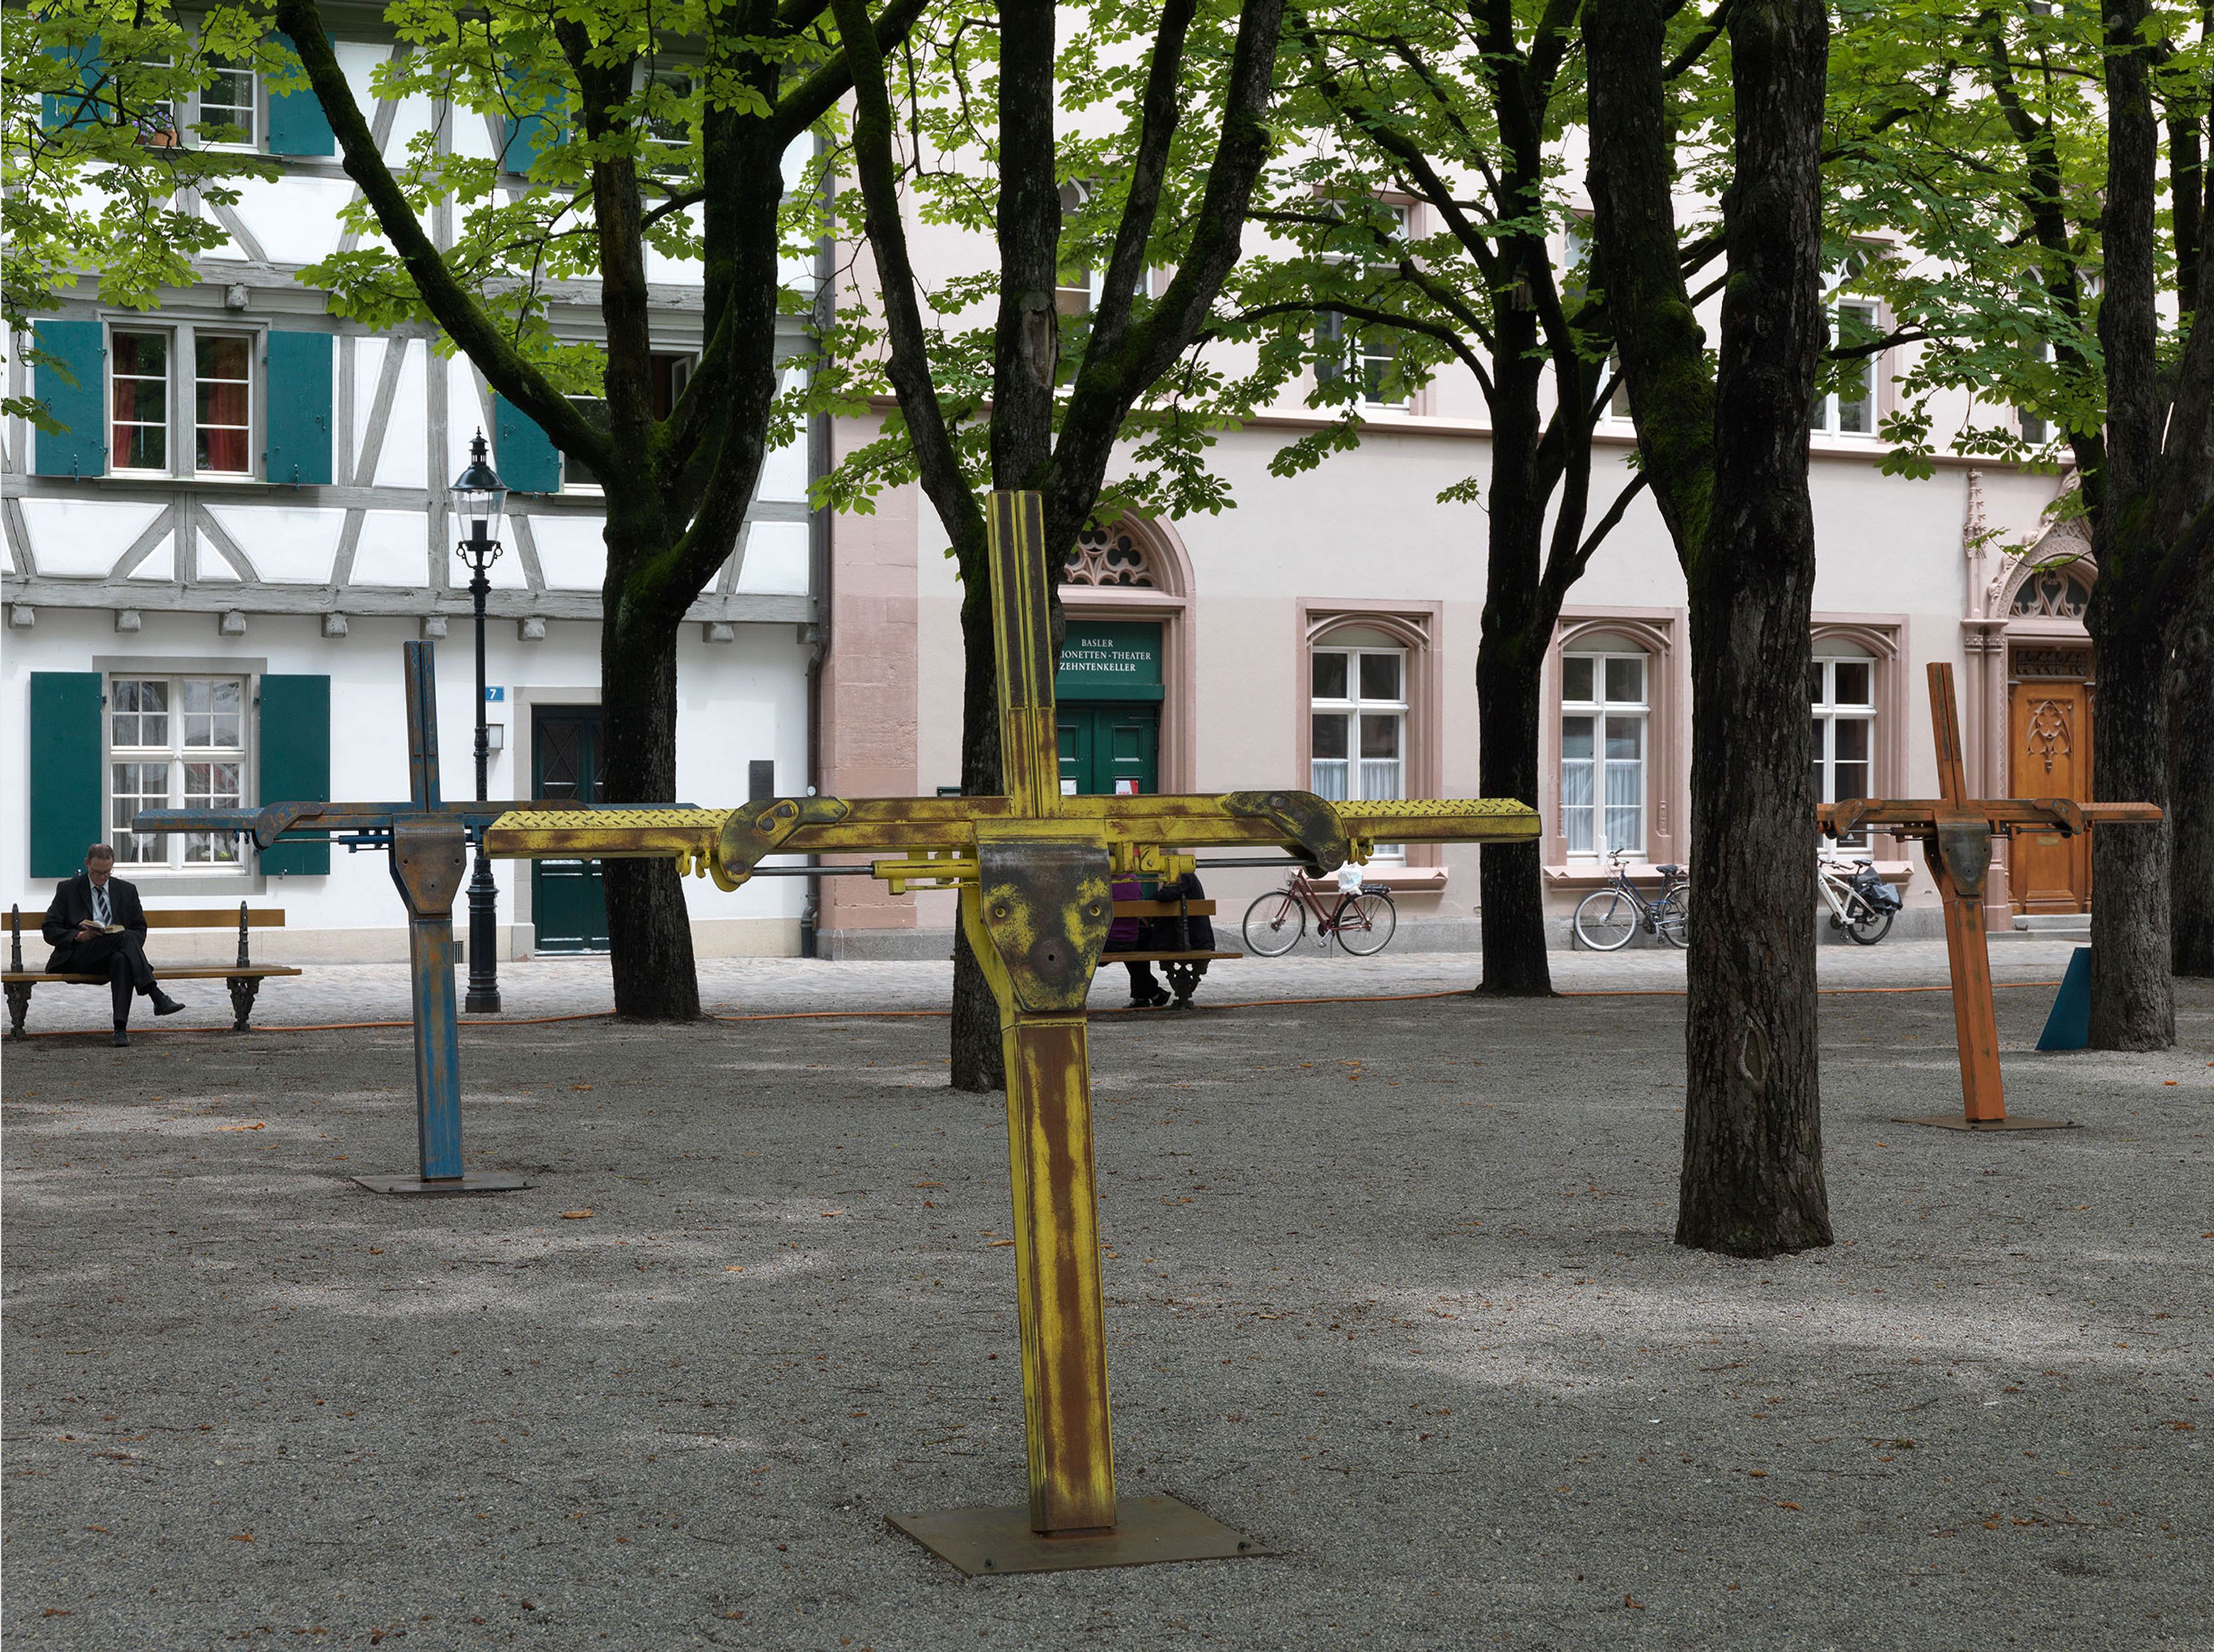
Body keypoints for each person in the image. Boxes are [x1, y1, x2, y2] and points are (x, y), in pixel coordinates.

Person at [42, 844, 186, 1045]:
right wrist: (78, 936)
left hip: (114, 954)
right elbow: (49, 929)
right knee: (125, 938)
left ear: (113, 866)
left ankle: (120, 1030)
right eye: (97, 873)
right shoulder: (68, 889)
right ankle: (155, 994)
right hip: (81, 954)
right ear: (87, 864)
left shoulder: (126, 890)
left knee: (122, 956)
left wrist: (124, 940)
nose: (102, 877)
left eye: (107, 873)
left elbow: (139, 929)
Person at [1108, 873, 1170, 1008]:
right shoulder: (1135, 880)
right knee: (1137, 950)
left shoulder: (1103, 881)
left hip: (1105, 943)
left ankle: (1152, 994)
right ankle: (1150, 995)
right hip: (1130, 940)